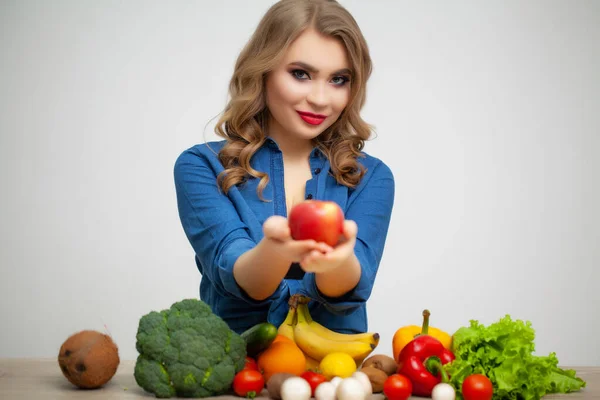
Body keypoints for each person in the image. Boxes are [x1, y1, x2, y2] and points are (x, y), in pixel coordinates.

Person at [174, 0, 394, 335]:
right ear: (262, 70)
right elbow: (234, 273)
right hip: (234, 376)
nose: (320, 99)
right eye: (300, 74)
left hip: (333, 376)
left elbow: (352, 288)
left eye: (339, 79)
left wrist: (338, 262)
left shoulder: (372, 177)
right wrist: (276, 251)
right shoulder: (201, 166)